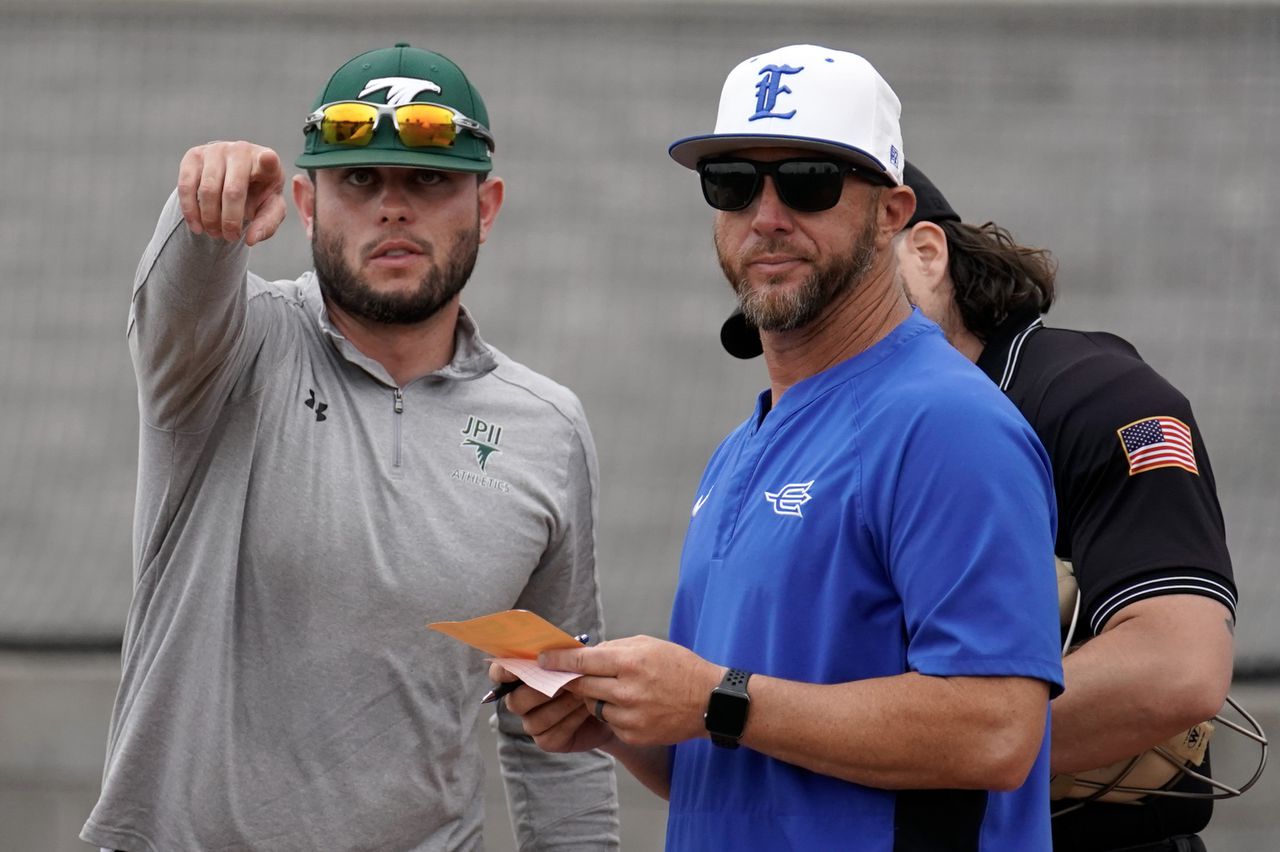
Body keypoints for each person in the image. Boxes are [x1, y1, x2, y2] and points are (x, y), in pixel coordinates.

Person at [494, 44, 1064, 851]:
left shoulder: (948, 423)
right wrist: (613, 716)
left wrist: (714, 698)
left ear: (893, 212)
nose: (767, 214)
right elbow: (734, 749)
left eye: (809, 182)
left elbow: (997, 732)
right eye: (732, 183)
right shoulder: (741, 447)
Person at [82, 43, 618, 852]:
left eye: (429, 180)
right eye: (359, 180)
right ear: (305, 202)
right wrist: (203, 210)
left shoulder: (546, 426)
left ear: (488, 206)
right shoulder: (228, 355)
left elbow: (559, 720)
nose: (392, 208)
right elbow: (179, 298)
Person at [723, 163, 1243, 852]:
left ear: (926, 253)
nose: (811, 343)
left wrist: (909, 741)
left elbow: (1175, 669)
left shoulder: (1096, 397)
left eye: (841, 299)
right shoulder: (805, 445)